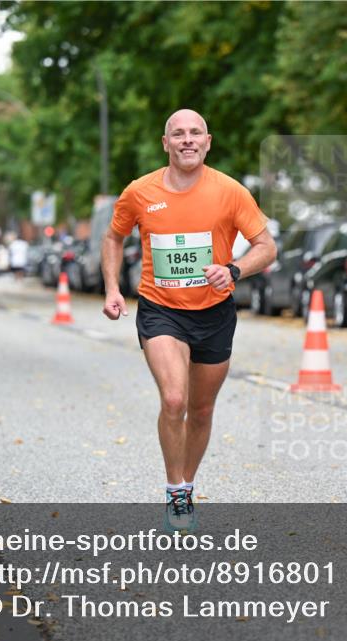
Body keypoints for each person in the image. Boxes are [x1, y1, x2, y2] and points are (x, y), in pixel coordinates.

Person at [101, 109, 276, 533]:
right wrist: (112, 288)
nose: (187, 140)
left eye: (195, 133)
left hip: (215, 312)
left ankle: (188, 482)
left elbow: (266, 246)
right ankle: (175, 489)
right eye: (178, 134)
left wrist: (233, 270)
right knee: (175, 399)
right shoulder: (140, 192)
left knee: (200, 408)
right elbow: (113, 237)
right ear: (166, 144)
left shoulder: (230, 191)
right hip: (161, 309)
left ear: (207, 142)